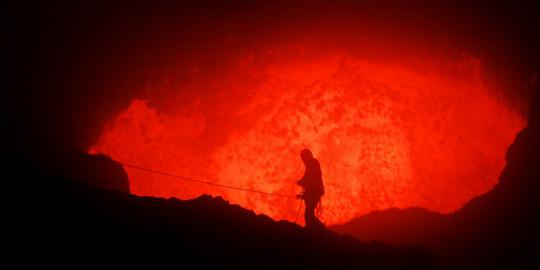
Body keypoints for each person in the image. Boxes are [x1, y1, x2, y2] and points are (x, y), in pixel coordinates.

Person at [296, 148, 325, 229]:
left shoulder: (312, 164)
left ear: (307, 156)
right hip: (314, 192)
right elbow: (308, 181)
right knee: (309, 213)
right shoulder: (312, 164)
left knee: (308, 213)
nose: (303, 161)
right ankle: (316, 228)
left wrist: (300, 182)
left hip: (314, 192)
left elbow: (309, 180)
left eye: (303, 158)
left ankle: (314, 229)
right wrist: (303, 195)